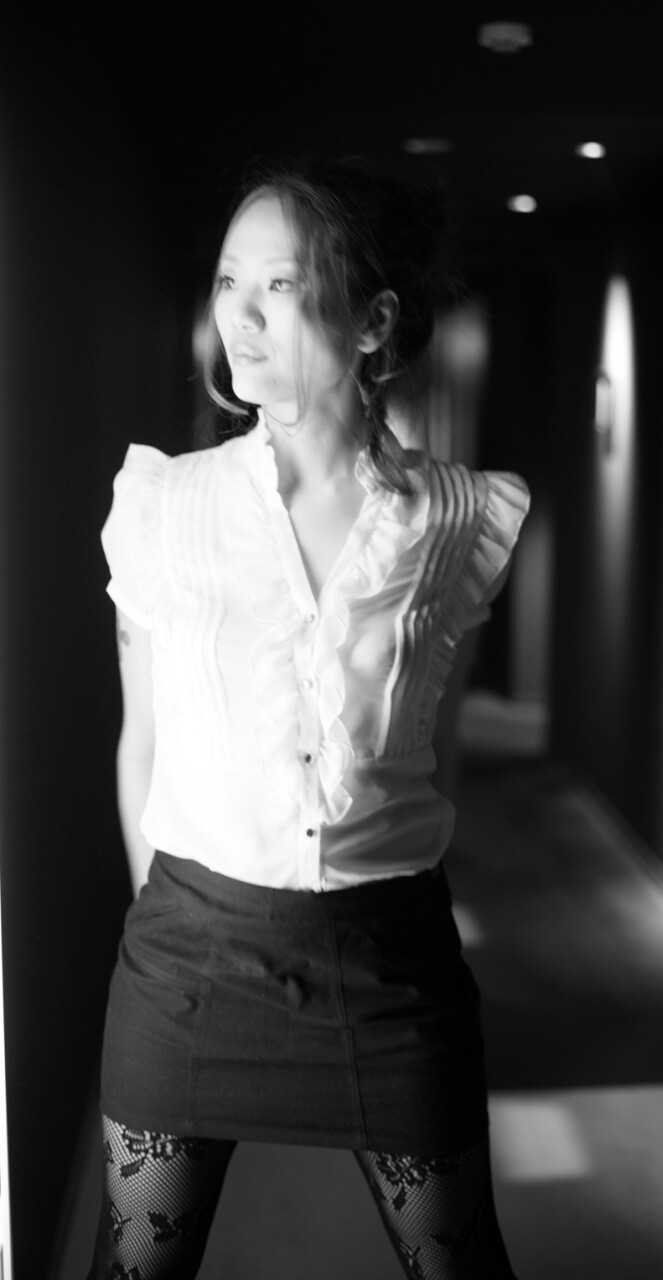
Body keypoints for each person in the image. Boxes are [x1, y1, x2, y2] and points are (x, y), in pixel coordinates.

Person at [87, 154, 530, 1280]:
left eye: (279, 284)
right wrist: (171, 922)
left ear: (373, 321)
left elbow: (432, 752)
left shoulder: (455, 520)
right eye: (228, 280)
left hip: (391, 968)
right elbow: (141, 745)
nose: (238, 314)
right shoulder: (166, 505)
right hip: (186, 960)